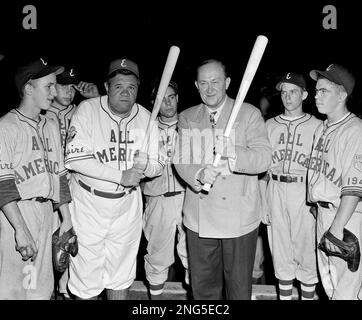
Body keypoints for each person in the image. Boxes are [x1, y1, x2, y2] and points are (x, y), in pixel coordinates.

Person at [64, 58, 163, 300]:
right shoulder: (87, 110)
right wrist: (121, 175)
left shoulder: (147, 118)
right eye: (119, 86)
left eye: (131, 87)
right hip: (88, 204)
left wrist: (146, 167)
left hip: (127, 207)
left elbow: (158, 166)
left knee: (121, 276)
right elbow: (74, 160)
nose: (125, 92)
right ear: (107, 87)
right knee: (86, 279)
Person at [174, 59, 271, 300]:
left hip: (239, 220)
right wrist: (198, 174)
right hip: (200, 218)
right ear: (196, 85)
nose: (209, 89)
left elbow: (263, 159)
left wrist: (234, 153)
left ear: (227, 82)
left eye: (215, 81)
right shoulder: (187, 117)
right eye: (204, 83)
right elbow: (181, 159)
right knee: (204, 291)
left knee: (238, 291)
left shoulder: (249, 114)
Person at [0, 57, 74, 299]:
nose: (54, 92)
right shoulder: (6, 127)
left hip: (47, 214)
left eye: (55, 86)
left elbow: (60, 176)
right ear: (29, 88)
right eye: (48, 86)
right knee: (13, 291)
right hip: (17, 213)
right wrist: (20, 230)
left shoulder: (50, 125)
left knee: (39, 291)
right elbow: (3, 184)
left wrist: (67, 220)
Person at [261, 72, 321, 300]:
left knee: (307, 252)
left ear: (304, 94)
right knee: (280, 251)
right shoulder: (269, 125)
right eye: (284, 92)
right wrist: (263, 201)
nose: (287, 97)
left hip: (303, 191)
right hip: (275, 188)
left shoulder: (318, 126)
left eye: (293, 91)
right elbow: (262, 170)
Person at [307, 64, 362, 300]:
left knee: (346, 292)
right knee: (330, 287)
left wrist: (337, 228)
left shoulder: (355, 130)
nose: (316, 96)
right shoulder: (322, 128)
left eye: (323, 91)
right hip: (324, 214)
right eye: (317, 90)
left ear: (341, 95)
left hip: (346, 217)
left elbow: (355, 186)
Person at [46, 67, 99, 300]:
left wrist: (96, 99)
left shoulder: (84, 111)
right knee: (50, 250)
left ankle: (68, 292)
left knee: (73, 249)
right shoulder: (41, 112)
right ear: (51, 86)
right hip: (48, 188)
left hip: (75, 187)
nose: (69, 91)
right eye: (63, 85)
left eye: (72, 86)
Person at [142, 79, 189, 299]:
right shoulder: (145, 128)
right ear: (154, 103)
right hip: (157, 198)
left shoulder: (191, 124)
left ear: (178, 98)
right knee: (157, 259)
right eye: (162, 99)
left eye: (172, 97)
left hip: (188, 197)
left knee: (193, 258)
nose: (168, 103)